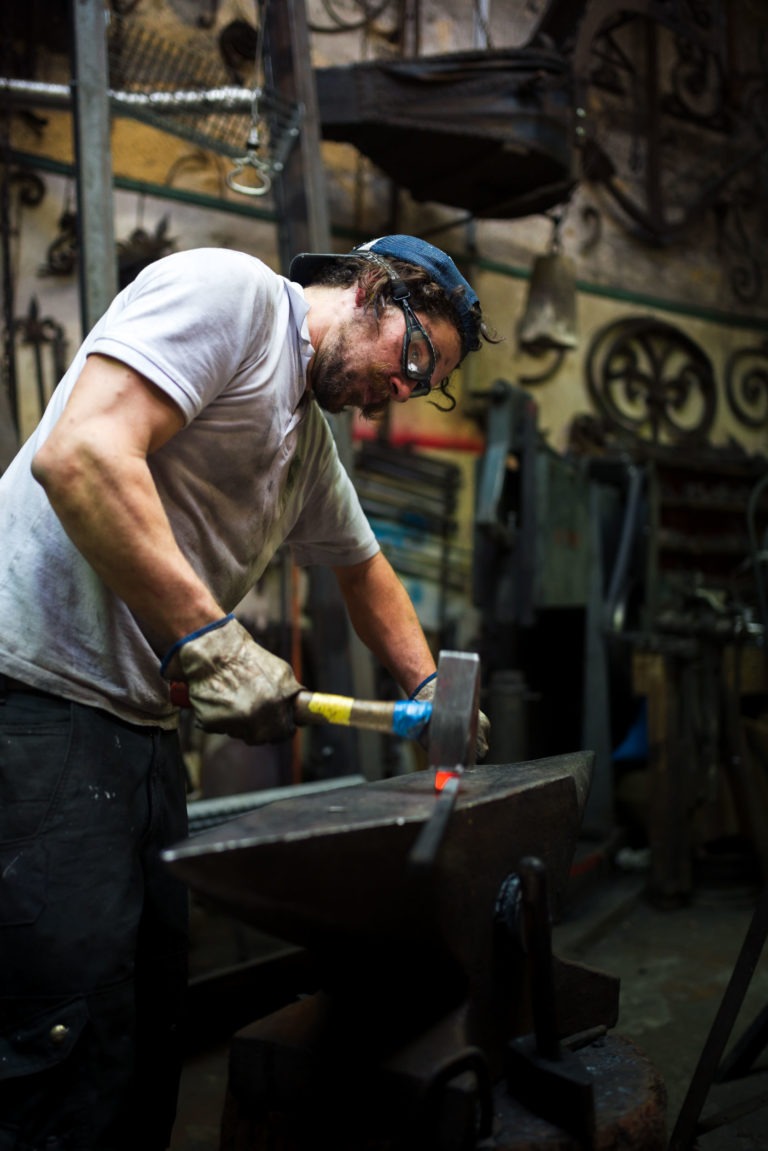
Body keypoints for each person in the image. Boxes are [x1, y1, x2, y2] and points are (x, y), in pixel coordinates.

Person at [0, 234, 492, 1149]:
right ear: (370, 290)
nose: (403, 388)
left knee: (143, 1028)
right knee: (57, 1040)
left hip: (138, 732)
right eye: (413, 356)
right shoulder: (233, 297)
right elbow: (81, 452)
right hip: (36, 706)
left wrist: (432, 690)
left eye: (425, 385)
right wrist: (212, 643)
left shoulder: (302, 438)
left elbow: (364, 569)